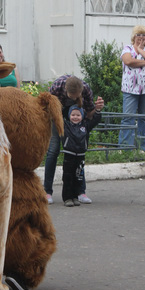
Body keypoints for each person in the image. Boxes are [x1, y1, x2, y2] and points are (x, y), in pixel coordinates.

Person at [44, 75, 104, 205]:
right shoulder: (57, 86)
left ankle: (80, 192)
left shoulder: (86, 89)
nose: (74, 98)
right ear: (65, 90)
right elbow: (46, 107)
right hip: (56, 116)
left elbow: (89, 113)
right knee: (53, 151)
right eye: (72, 96)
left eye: (77, 96)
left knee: (79, 153)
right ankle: (47, 191)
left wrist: (97, 109)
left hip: (77, 118)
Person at [118, 25, 145, 152]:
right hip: (130, 90)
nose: (141, 38)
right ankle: (125, 148)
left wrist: (141, 50)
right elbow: (128, 61)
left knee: (144, 118)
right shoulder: (127, 48)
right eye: (139, 35)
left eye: (144, 35)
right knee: (128, 118)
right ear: (134, 36)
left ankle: (142, 148)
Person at [61, 105, 102, 207]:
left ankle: (75, 197)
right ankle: (67, 198)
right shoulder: (65, 125)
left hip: (80, 156)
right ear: (69, 115)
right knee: (67, 177)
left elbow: (96, 120)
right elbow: (56, 117)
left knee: (78, 177)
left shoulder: (86, 125)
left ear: (82, 116)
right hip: (69, 155)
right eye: (73, 115)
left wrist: (97, 110)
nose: (75, 117)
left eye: (78, 115)